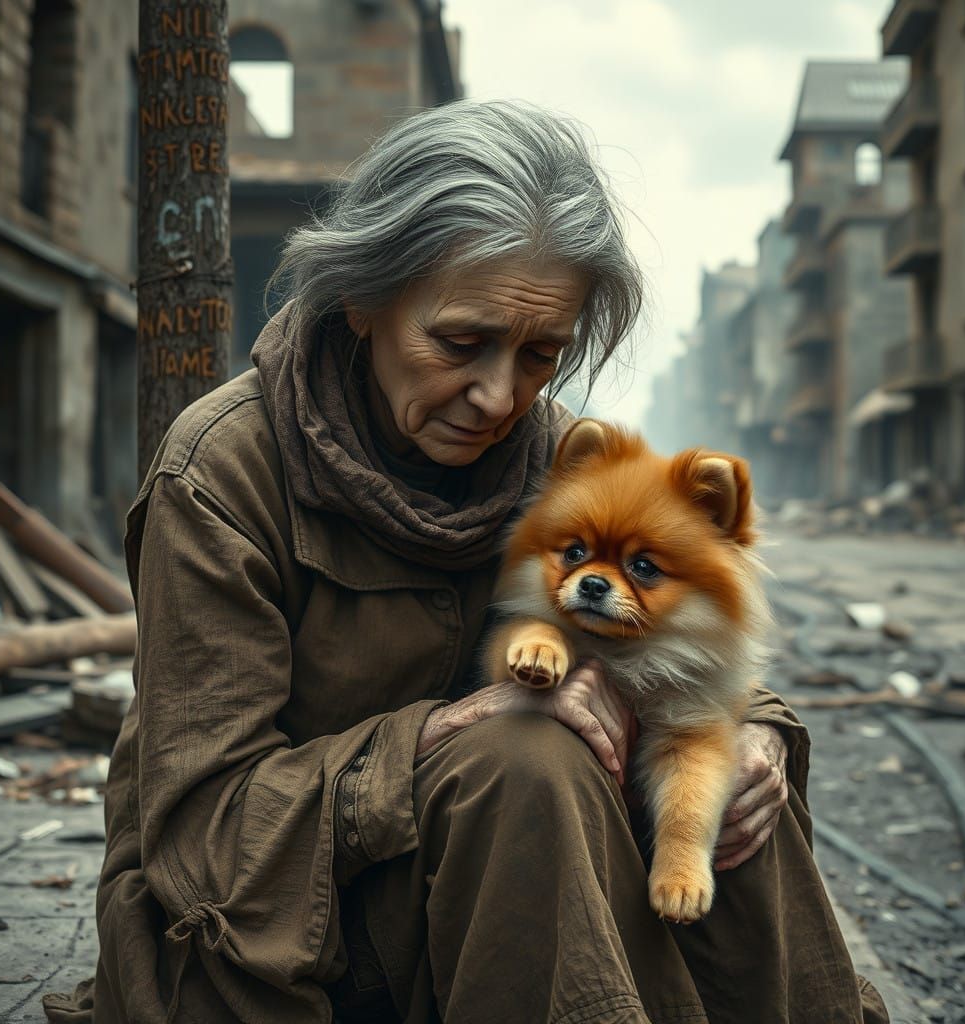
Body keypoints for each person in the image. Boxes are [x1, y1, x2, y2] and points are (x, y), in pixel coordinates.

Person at [44, 101, 887, 1024]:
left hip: (509, 892)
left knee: (716, 797)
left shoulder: (567, 464)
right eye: (460, 343)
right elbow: (203, 834)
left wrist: (758, 738)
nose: (498, 396)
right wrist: (445, 736)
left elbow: (687, 626)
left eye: (540, 355)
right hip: (273, 931)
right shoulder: (221, 474)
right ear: (360, 301)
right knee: (525, 758)